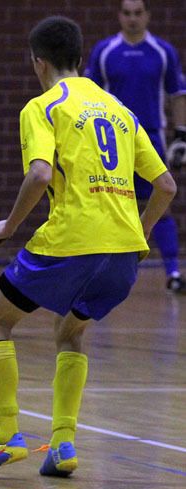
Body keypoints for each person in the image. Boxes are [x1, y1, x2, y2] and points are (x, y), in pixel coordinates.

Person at [0, 16, 176, 477]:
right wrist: (138, 235)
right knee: (70, 332)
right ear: (81, 58)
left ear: (38, 62)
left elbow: (39, 174)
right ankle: (62, 445)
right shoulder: (120, 110)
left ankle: (4, 437)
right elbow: (166, 186)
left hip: (71, 241)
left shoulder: (43, 106)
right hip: (123, 253)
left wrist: (9, 226)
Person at [85, 0, 186, 293]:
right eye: (127, 13)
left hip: (151, 137)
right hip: (112, 141)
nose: (132, 19)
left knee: (161, 201)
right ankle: (99, 273)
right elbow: (89, 94)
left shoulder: (163, 52)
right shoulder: (104, 52)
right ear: (119, 16)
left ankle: (174, 273)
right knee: (106, 205)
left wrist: (181, 135)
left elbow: (177, 93)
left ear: (147, 16)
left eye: (138, 13)